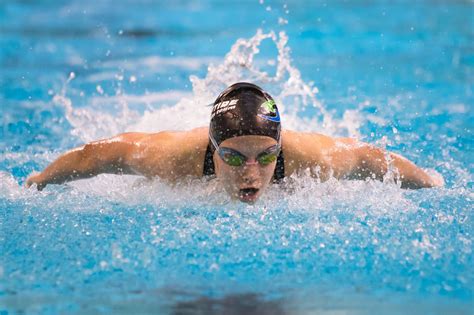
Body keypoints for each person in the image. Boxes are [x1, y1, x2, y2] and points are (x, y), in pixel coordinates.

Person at [26, 82, 442, 203]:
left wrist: (433, 184)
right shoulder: (173, 158)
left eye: (266, 157)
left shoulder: (311, 158)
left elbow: (371, 159)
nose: (251, 171)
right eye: (232, 156)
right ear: (212, 150)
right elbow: (102, 154)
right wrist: (39, 180)